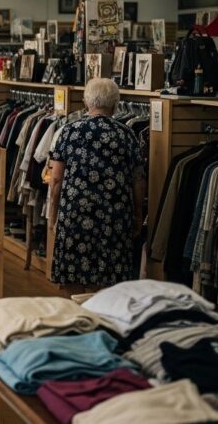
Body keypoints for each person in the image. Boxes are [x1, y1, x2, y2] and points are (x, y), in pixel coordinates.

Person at [47, 78, 146, 291]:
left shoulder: (69, 131)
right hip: (115, 216)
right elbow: (138, 179)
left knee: (72, 276)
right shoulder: (126, 134)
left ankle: (76, 319)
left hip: (75, 214)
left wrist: (53, 215)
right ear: (116, 104)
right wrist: (138, 215)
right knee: (108, 280)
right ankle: (102, 319)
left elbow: (56, 179)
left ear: (86, 102)